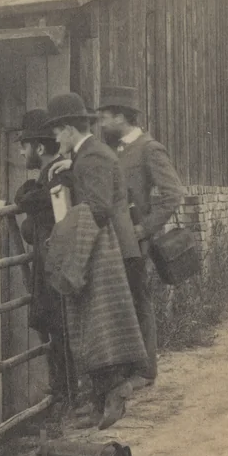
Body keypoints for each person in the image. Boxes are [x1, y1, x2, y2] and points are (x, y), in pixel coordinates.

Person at [45, 92, 147, 430]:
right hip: (99, 243)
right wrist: (72, 168)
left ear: (71, 129)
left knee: (101, 324)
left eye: (57, 132)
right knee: (94, 323)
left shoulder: (92, 158)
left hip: (101, 248)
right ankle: (103, 399)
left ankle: (114, 393)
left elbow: (99, 205)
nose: (55, 139)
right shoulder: (87, 157)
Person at [96, 85, 185, 388]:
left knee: (138, 300)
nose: (102, 124)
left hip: (136, 240)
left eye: (105, 117)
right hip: (115, 239)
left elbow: (173, 194)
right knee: (122, 302)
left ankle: (146, 370)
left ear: (121, 117)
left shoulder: (149, 148)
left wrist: (144, 228)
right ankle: (127, 366)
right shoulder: (114, 149)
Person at [13, 109, 77, 420]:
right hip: (48, 265)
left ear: (39, 148)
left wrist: (27, 196)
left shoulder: (60, 173)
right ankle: (63, 394)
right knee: (54, 328)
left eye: (24, 146)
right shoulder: (46, 175)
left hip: (58, 266)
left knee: (63, 329)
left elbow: (39, 206)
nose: (21, 152)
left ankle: (69, 398)